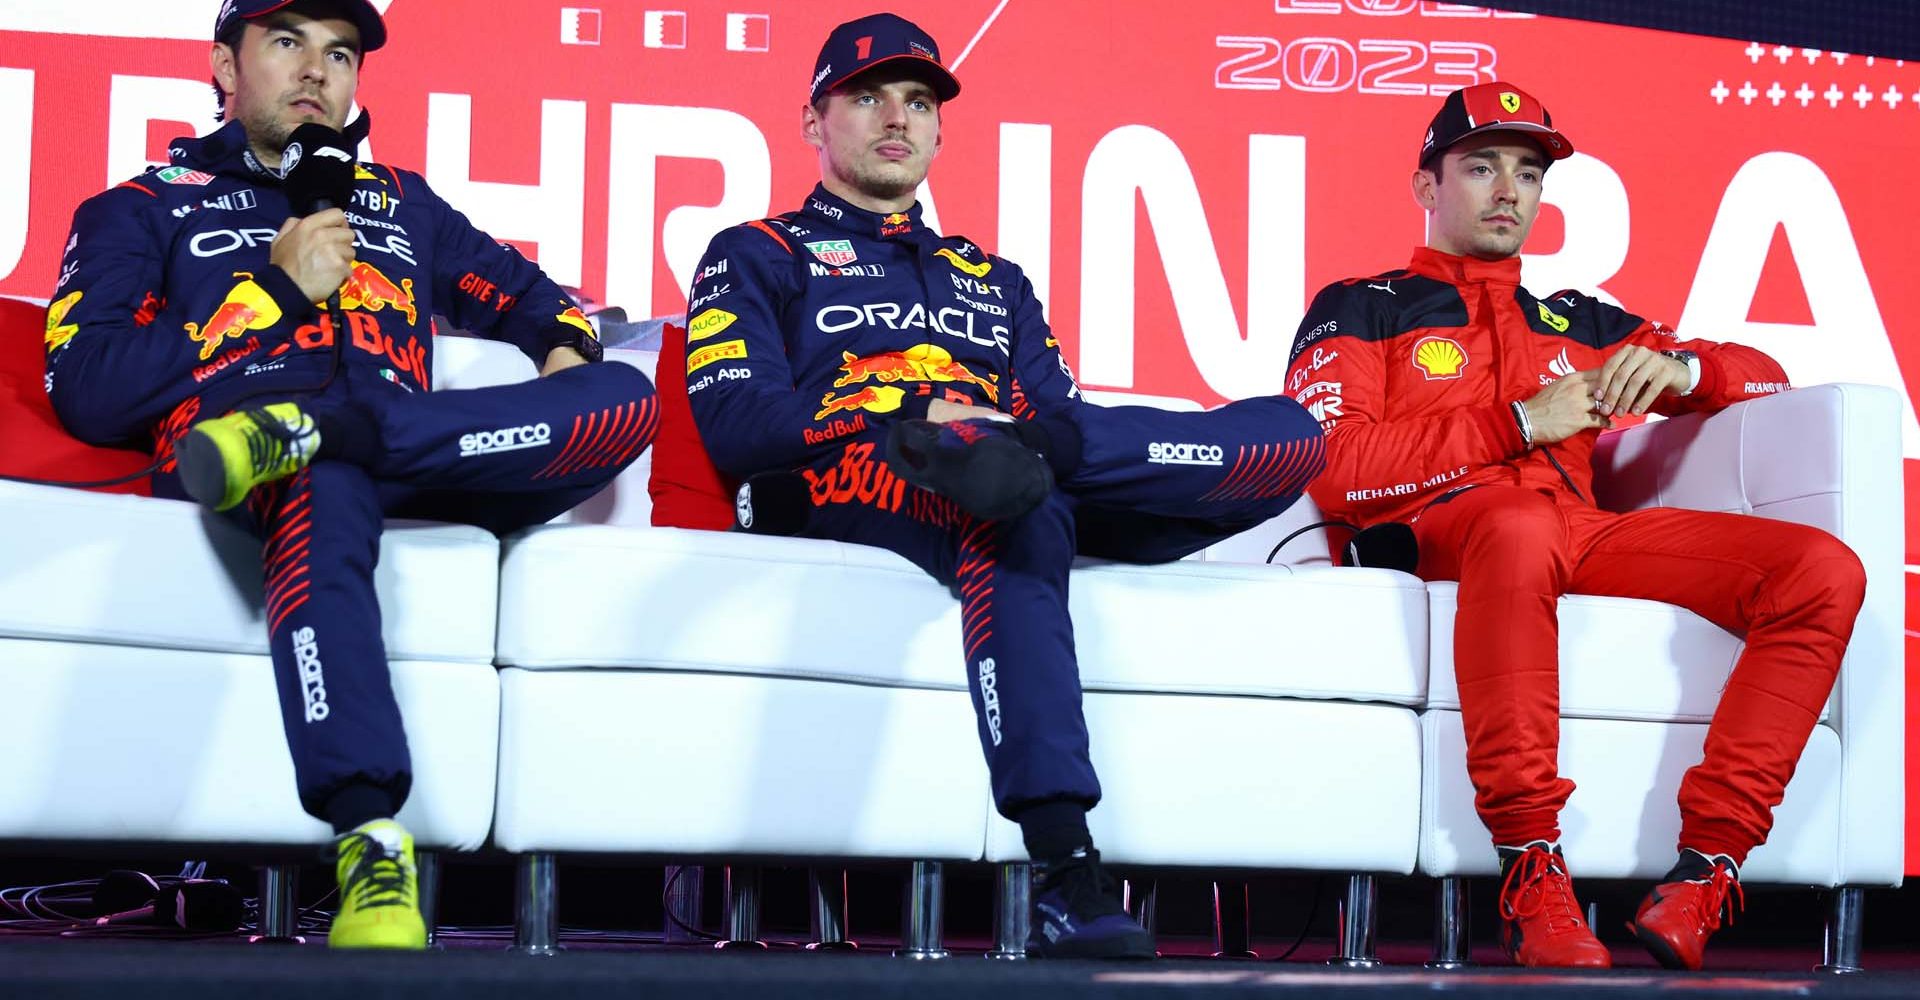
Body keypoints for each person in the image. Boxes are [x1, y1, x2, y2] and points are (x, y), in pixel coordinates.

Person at [647, 12, 1326, 960]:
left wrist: (1030, 440)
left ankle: (1012, 464)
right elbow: (735, 421)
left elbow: (1064, 416)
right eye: (868, 97)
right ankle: (1063, 868)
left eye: (918, 101)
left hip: (1016, 460)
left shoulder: (992, 277)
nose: (898, 118)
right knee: (1017, 500)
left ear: (938, 127)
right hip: (868, 474)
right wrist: (906, 415)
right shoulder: (757, 250)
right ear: (814, 122)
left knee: (1289, 436)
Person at [43, 0, 656, 949]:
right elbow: (88, 387)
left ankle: (323, 433)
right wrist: (271, 292)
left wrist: (566, 346)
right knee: (324, 486)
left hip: (407, 455)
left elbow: (544, 304)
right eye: (286, 43)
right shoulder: (140, 205)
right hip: (241, 458)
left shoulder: (399, 201)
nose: (316, 71)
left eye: (339, 53)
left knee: (622, 395)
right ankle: (371, 836)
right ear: (222, 64)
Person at [1286, 81, 1866, 970]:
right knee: (1516, 522)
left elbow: (1766, 376)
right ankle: (1529, 868)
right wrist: (1518, 423)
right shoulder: (1360, 305)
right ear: (1426, 187)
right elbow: (1332, 470)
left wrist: (1682, 372)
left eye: (1527, 172)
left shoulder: (1580, 320)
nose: (1508, 191)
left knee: (1821, 567)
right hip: (1443, 535)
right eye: (1480, 168)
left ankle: (1705, 871)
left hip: (1579, 532)